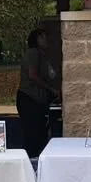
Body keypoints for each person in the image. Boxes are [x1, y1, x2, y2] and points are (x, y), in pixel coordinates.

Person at [17, 27, 59, 159]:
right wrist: (51, 90)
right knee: (33, 134)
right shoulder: (33, 53)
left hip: (39, 101)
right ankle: (31, 161)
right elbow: (33, 75)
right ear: (37, 39)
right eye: (43, 37)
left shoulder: (42, 55)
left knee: (40, 133)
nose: (46, 40)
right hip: (29, 99)